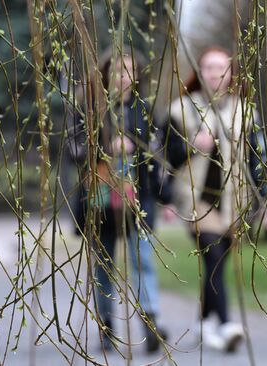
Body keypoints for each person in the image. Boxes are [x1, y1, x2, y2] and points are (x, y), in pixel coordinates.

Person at [160, 46, 267, 352]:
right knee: (212, 254)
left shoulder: (245, 112)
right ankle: (225, 324)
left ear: (230, 74)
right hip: (195, 198)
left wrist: (265, 202)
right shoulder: (180, 109)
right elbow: (164, 158)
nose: (215, 73)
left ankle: (204, 320)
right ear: (199, 72)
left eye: (221, 68)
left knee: (218, 262)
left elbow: (256, 160)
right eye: (209, 67)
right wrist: (192, 146)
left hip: (233, 201)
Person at [69, 46, 167, 353]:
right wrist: (102, 147)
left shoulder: (145, 110)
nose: (123, 78)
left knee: (143, 261)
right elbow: (73, 151)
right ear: (105, 75)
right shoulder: (88, 109)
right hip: (99, 202)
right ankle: (106, 324)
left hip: (139, 202)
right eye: (117, 71)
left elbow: (157, 155)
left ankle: (150, 322)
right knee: (104, 265)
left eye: (129, 71)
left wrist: (136, 146)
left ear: (137, 76)